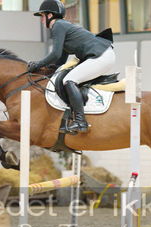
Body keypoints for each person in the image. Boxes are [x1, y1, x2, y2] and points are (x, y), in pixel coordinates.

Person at [28, 0, 116, 134]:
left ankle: (81, 121)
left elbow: (55, 53)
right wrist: (43, 71)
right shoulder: (63, 27)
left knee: (69, 80)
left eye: (42, 16)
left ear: (50, 15)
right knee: (67, 78)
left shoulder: (58, 26)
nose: (41, 20)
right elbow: (60, 60)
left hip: (101, 56)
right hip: (102, 55)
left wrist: (38, 64)